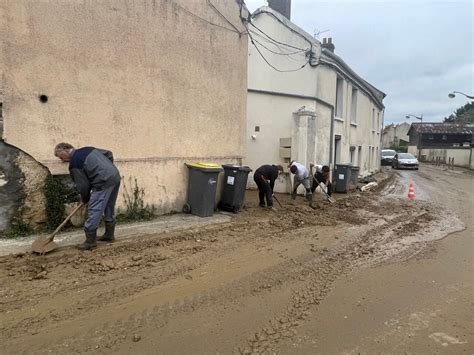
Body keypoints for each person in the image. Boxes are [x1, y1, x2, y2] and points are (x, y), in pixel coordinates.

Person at [54, 143, 121, 250]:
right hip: (114, 176)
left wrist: (85, 198)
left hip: (102, 182)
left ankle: (90, 242)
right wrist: (107, 168)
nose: (62, 160)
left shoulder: (75, 164)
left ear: (65, 151)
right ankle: (109, 235)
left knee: (95, 208)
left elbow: (83, 185)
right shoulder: (88, 149)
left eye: (61, 157)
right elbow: (109, 154)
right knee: (109, 205)